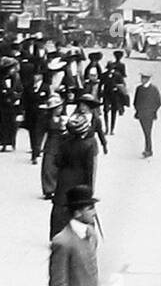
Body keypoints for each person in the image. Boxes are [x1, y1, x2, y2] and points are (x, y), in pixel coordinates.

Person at [50, 111, 99, 239]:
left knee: (60, 207)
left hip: (64, 179)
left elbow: (57, 161)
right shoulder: (88, 145)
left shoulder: (64, 143)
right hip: (80, 180)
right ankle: (85, 235)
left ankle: (56, 234)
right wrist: (90, 189)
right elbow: (90, 169)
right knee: (81, 208)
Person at [0, 57, 22, 152]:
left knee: (13, 124)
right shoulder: (1, 78)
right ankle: (4, 142)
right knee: (3, 124)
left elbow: (20, 90)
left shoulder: (17, 78)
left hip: (13, 105)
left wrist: (16, 97)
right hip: (3, 104)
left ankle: (12, 142)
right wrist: (3, 93)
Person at [40, 96, 66, 200]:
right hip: (50, 144)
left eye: (60, 107)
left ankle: (57, 188)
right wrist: (38, 147)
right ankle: (48, 189)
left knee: (59, 168)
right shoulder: (47, 120)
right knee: (48, 167)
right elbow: (41, 132)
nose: (59, 110)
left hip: (62, 144)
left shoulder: (64, 119)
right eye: (57, 108)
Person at [133, 72, 161, 158]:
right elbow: (136, 101)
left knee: (147, 132)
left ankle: (148, 150)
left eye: (144, 79)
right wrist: (138, 109)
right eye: (142, 78)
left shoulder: (153, 89)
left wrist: (153, 111)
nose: (142, 80)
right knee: (146, 132)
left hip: (149, 115)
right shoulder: (139, 89)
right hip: (141, 114)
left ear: (147, 79)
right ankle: (148, 149)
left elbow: (158, 102)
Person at [103, 51, 128, 135]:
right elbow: (124, 75)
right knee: (109, 109)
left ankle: (110, 128)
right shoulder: (121, 66)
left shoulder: (116, 72)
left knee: (114, 108)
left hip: (114, 89)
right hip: (109, 92)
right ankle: (108, 128)